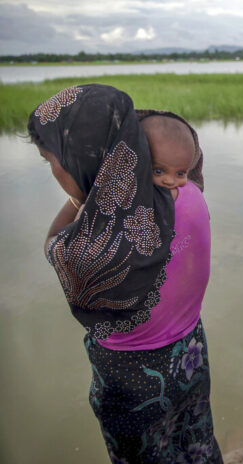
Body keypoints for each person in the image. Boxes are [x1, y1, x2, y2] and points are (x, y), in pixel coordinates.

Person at [28, 84, 222, 463]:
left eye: (51, 161)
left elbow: (53, 244)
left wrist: (80, 201)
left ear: (87, 163)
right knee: (195, 440)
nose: (53, 171)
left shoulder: (94, 250)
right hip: (191, 354)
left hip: (133, 378)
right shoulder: (191, 194)